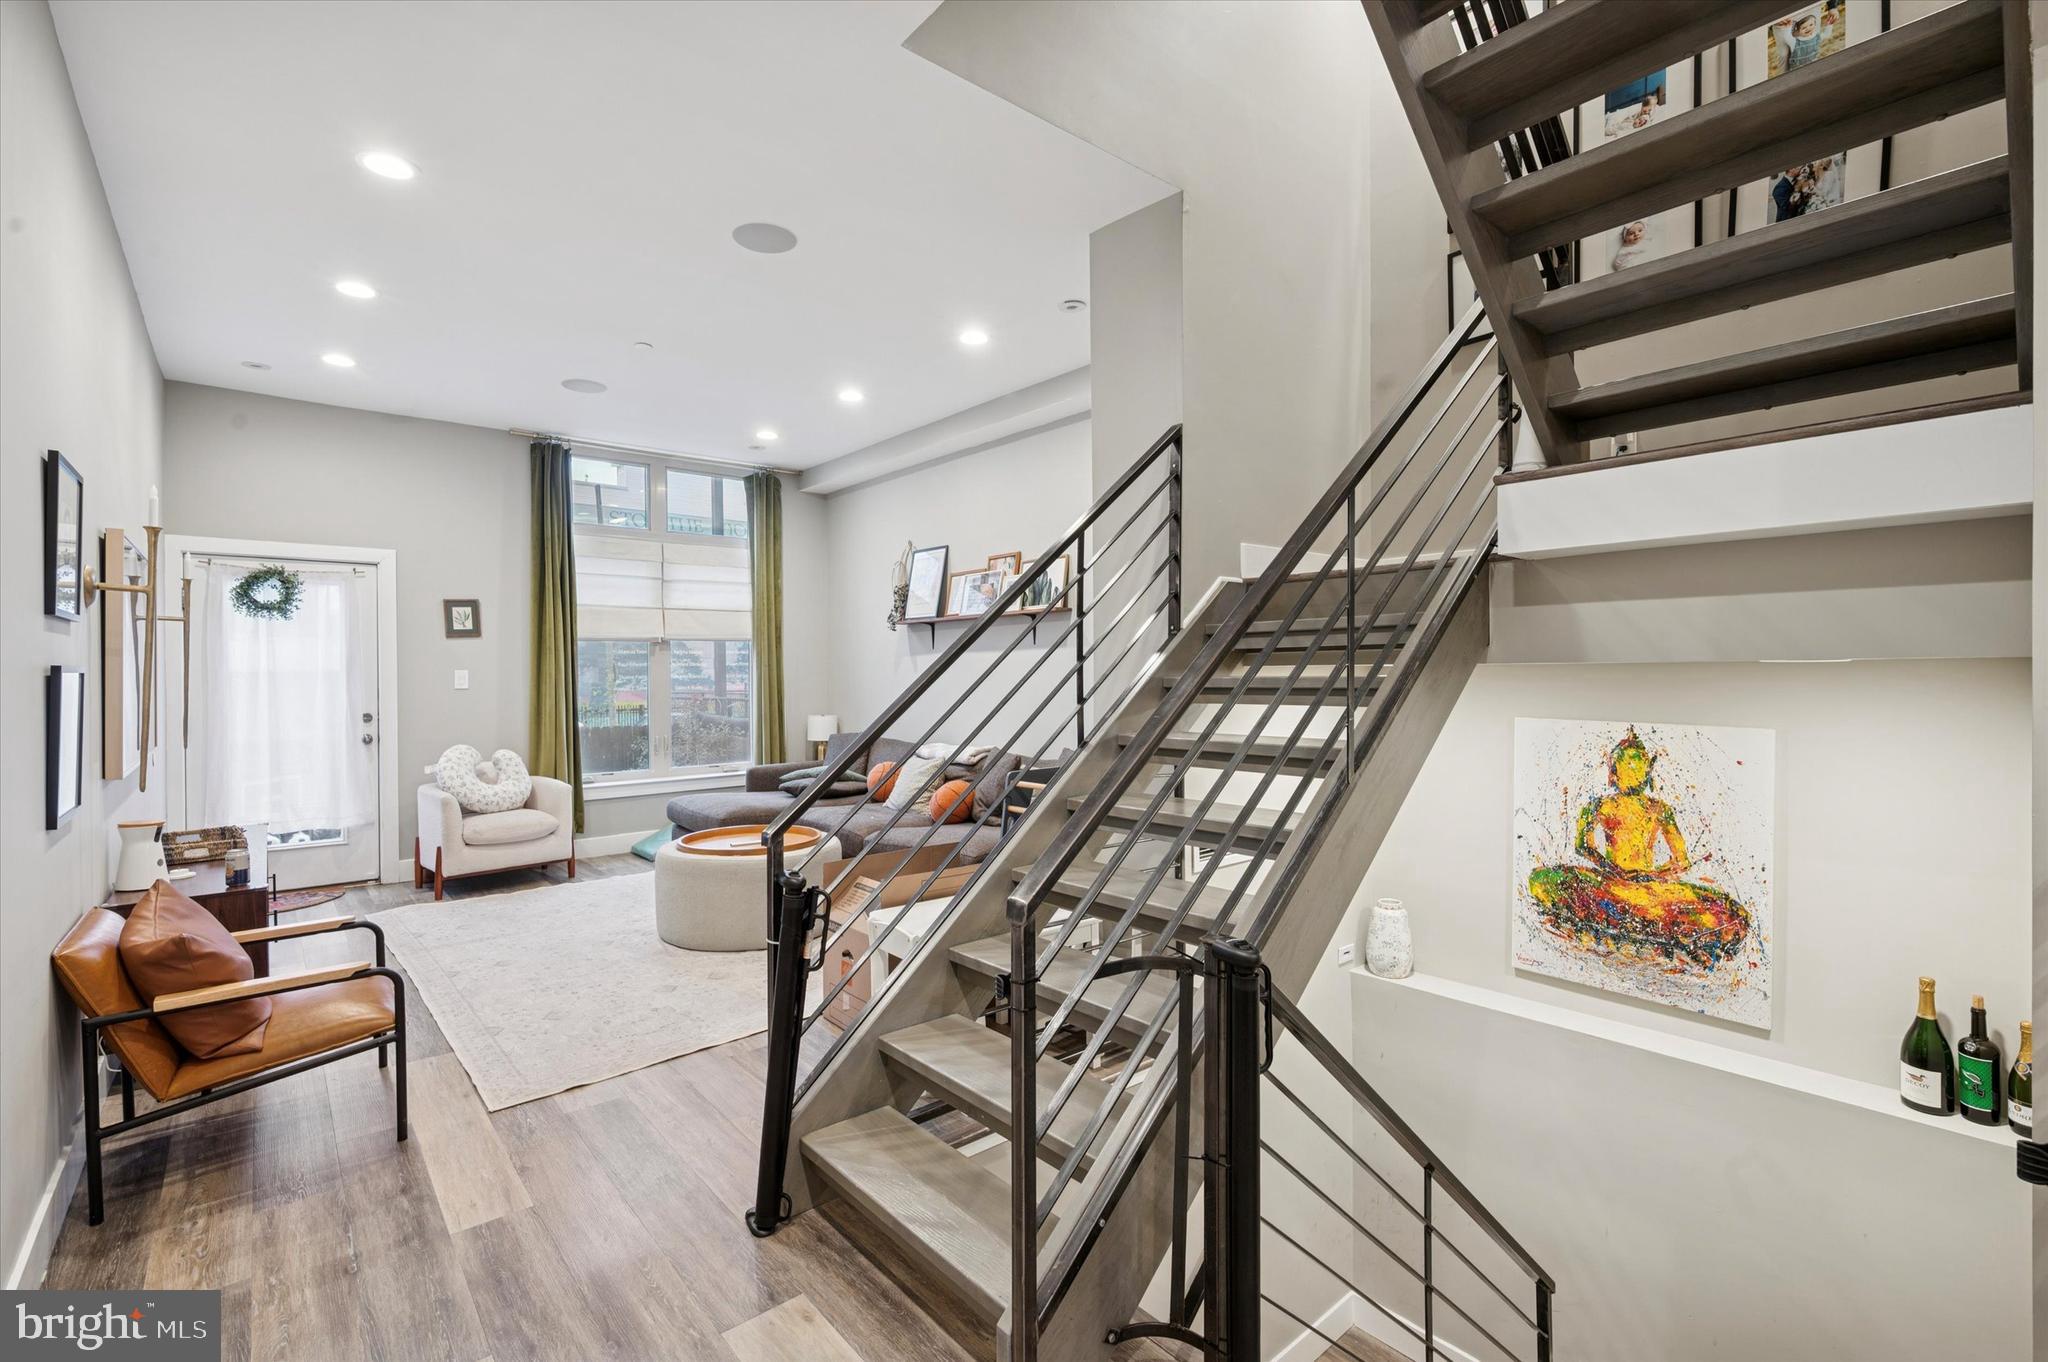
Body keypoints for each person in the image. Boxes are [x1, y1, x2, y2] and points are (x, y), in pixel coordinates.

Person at [1526, 728, 1751, 968]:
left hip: (1641, 888)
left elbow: (1584, 847)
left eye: (1636, 766)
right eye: (1628, 766)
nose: (1632, 773)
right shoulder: (1602, 806)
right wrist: (1626, 873)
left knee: (1719, 908)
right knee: (1546, 878)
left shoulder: (1654, 809)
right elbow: (1679, 862)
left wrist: (1644, 875)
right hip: (1619, 884)